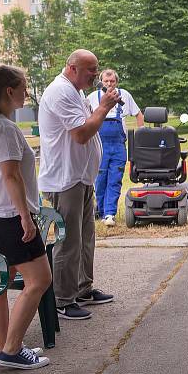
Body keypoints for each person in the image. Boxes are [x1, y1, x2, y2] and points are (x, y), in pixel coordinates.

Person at [0, 65, 51, 369]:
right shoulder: (4, 128)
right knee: (40, 279)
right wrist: (26, 218)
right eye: (23, 87)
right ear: (9, 91)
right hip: (8, 217)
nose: (26, 93)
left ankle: (4, 346)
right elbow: (10, 176)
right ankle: (11, 350)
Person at [38, 50, 118, 321]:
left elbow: (86, 124)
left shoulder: (75, 91)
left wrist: (100, 107)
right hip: (64, 179)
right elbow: (82, 134)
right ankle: (63, 299)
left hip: (80, 177)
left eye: (96, 69)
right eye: (90, 70)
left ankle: (82, 288)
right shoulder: (60, 92)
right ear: (72, 68)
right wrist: (104, 107)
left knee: (85, 237)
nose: (95, 75)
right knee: (69, 241)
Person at [87, 69, 144, 226]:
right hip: (99, 145)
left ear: (116, 82)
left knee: (115, 179)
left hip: (118, 146)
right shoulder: (92, 98)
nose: (109, 84)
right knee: (100, 180)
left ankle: (109, 214)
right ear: (101, 82)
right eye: (106, 81)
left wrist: (141, 135)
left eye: (112, 81)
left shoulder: (124, 95)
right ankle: (100, 210)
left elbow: (139, 115)